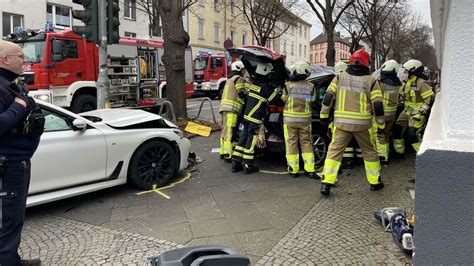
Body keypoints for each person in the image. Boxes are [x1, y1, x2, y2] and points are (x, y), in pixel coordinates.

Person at [319, 49, 385, 196]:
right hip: (363, 124)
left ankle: (326, 183)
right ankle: (375, 182)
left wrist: (324, 116)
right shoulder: (371, 81)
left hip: (341, 123)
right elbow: (378, 106)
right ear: (366, 63)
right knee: (369, 152)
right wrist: (381, 125)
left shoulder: (339, 77)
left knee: (335, 151)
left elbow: (328, 97)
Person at [0, 40, 42, 266]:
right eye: (20, 57)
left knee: (13, 218)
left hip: (16, 162)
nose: (24, 61)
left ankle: (10, 259)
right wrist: (19, 106)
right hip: (9, 164)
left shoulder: (10, 84)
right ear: (5, 59)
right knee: (10, 218)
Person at [231, 62, 278, 174]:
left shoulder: (254, 84)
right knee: (251, 142)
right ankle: (248, 166)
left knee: (242, 139)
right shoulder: (266, 87)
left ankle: (235, 163)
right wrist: (278, 91)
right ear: (266, 72)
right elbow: (277, 100)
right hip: (255, 119)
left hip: (247, 117)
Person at [281, 61, 317, 178]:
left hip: (290, 120)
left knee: (291, 143)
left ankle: (293, 169)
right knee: (306, 143)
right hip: (305, 121)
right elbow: (313, 101)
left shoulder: (287, 86)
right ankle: (310, 169)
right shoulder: (311, 86)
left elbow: (283, 99)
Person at [392, 59, 434, 154]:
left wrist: (421, 113)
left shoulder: (421, 83)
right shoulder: (406, 81)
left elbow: (429, 99)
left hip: (417, 114)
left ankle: (422, 155)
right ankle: (399, 152)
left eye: (406, 71)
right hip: (406, 111)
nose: (404, 73)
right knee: (397, 129)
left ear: (413, 71)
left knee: (412, 135)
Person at [218, 61, 248, 161]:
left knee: (225, 130)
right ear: (239, 69)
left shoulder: (229, 79)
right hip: (232, 109)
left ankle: (223, 151)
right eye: (243, 70)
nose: (244, 71)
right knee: (230, 131)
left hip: (224, 108)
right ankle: (228, 153)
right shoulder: (238, 79)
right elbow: (241, 93)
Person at [374, 60, 402, 164]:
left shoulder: (380, 83)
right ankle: (387, 154)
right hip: (392, 114)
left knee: (379, 134)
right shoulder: (398, 84)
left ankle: (383, 157)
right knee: (386, 134)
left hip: (382, 114)